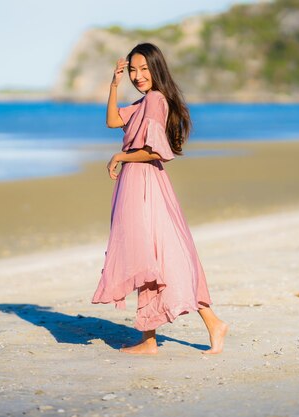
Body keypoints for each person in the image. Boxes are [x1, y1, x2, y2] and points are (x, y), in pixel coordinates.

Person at [91, 43, 229, 355]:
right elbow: (113, 121)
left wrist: (121, 156)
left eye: (143, 69)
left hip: (145, 185)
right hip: (137, 183)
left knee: (156, 257)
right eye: (132, 70)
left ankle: (210, 323)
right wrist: (114, 85)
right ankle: (149, 340)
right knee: (146, 259)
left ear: (157, 69)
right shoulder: (144, 101)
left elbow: (157, 151)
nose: (138, 76)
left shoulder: (155, 100)